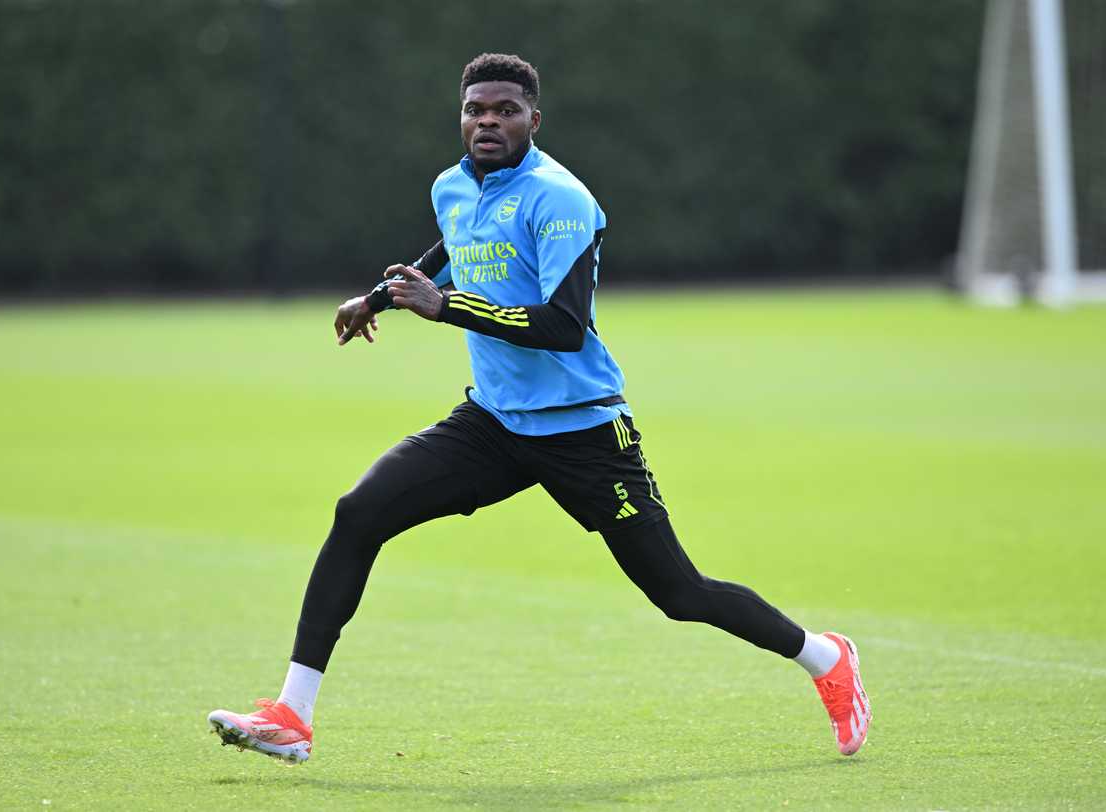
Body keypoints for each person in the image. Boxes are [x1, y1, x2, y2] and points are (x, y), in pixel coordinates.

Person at [207, 53, 871, 765]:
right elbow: (454, 247)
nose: (487, 121)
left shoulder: (561, 198)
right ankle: (293, 715)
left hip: (585, 430)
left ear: (534, 120)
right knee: (358, 511)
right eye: (474, 110)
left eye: (504, 111)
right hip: (493, 423)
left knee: (678, 592)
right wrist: (375, 298)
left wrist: (446, 308)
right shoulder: (452, 186)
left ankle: (825, 658)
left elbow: (564, 326)